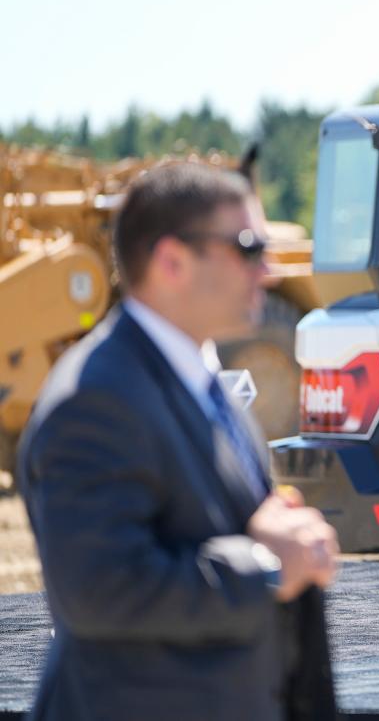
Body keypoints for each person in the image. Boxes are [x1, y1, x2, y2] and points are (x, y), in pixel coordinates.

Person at [18, 163, 339, 720]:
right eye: (247, 246)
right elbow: (103, 589)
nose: (266, 268)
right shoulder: (92, 401)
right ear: (171, 261)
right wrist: (266, 564)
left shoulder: (204, 379)